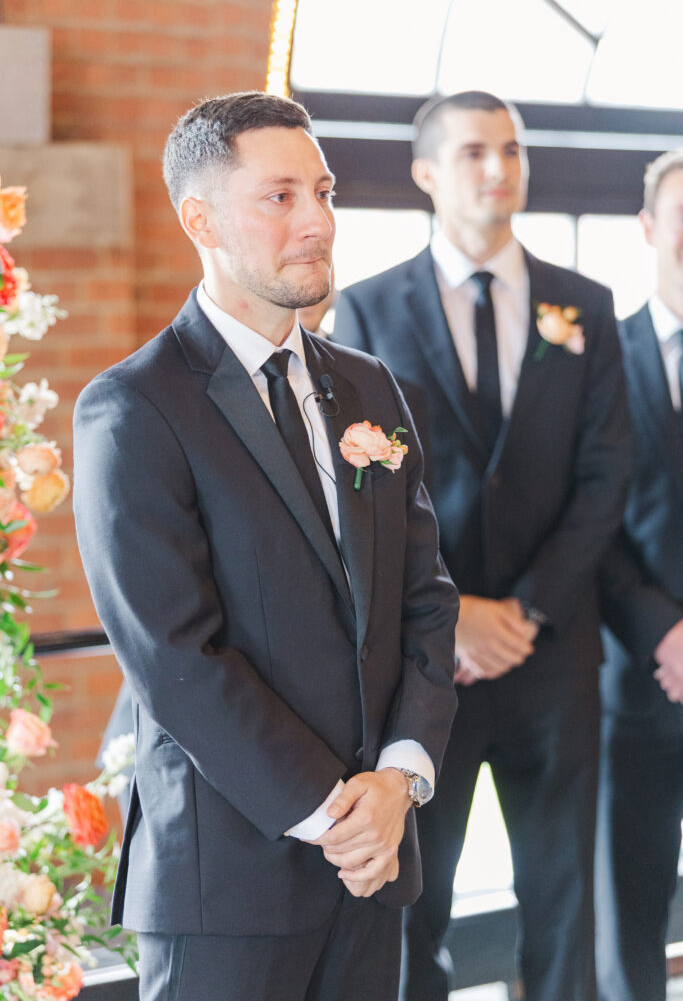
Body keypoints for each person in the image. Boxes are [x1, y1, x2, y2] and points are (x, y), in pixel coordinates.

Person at [72, 91, 459, 1001]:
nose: (317, 221)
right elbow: (175, 656)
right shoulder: (134, 407)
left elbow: (425, 598)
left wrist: (398, 779)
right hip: (227, 884)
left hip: (373, 868)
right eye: (279, 197)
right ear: (199, 220)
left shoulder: (370, 389)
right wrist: (337, 816)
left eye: (322, 192)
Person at [334, 90, 632, 1001]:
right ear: (426, 173)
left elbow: (605, 476)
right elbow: (363, 493)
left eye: (511, 149)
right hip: (430, 668)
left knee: (564, 898)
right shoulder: (368, 309)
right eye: (472, 152)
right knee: (416, 902)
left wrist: (527, 609)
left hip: (554, 655)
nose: (498, 168)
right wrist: (453, 615)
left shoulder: (585, 306)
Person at [595, 149, 683, 1001]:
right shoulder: (599, 359)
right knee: (627, 916)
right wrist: (664, 633)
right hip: (632, 684)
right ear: (649, 227)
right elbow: (587, 519)